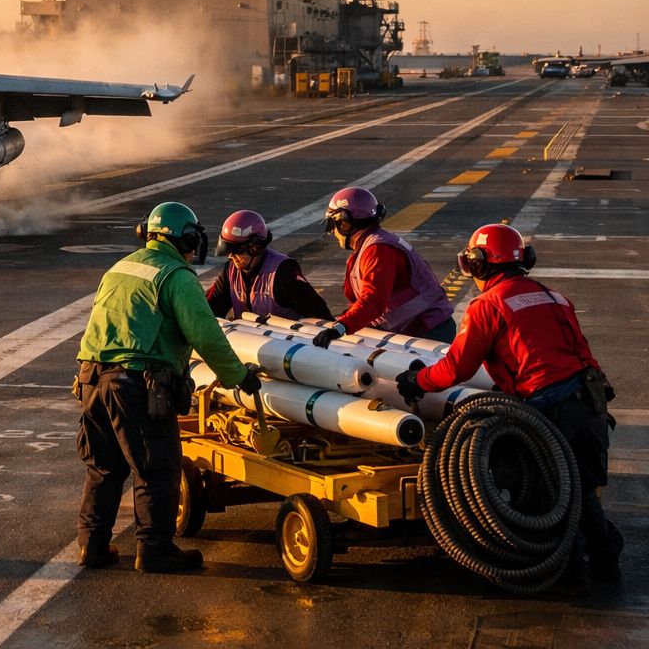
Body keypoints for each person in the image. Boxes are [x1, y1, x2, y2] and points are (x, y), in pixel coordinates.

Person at [394, 224, 621, 588]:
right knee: (582, 487)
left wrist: (416, 382)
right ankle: (608, 566)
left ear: (479, 264)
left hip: (550, 410)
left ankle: (573, 579)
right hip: (590, 404)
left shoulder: (489, 305)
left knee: (554, 496)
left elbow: (458, 367)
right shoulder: (554, 296)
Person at [75, 201, 260, 573]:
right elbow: (205, 334)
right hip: (135, 386)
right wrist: (239, 376)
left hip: (91, 378)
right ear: (187, 238)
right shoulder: (176, 276)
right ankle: (155, 550)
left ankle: (92, 547)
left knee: (104, 468)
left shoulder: (121, 268)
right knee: (157, 469)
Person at [311, 186, 455, 349]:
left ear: (345, 223)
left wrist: (341, 327)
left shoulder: (378, 251)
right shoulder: (372, 246)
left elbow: (373, 301)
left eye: (332, 224)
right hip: (418, 329)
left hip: (428, 332)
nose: (331, 232)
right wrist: (344, 320)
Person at [206, 209, 332, 322]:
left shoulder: (283, 271)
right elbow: (210, 308)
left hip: (285, 344)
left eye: (237, 251)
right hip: (251, 344)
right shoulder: (230, 270)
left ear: (255, 247)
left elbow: (320, 316)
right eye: (228, 251)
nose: (230, 256)